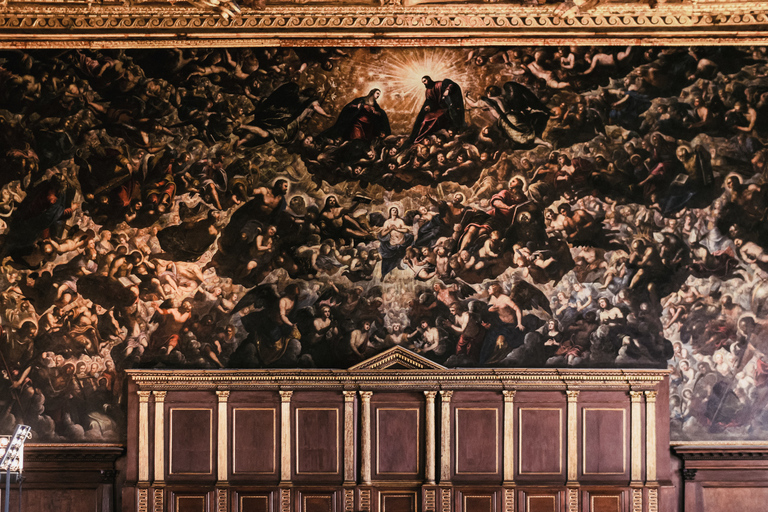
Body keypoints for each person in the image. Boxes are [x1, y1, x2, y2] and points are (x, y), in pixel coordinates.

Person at [320, 88, 391, 143]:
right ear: (372, 92)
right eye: (377, 93)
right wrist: (357, 106)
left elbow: (380, 114)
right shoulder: (362, 100)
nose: (378, 95)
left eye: (379, 94)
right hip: (358, 123)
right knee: (356, 139)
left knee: (364, 141)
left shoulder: (375, 105)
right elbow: (350, 106)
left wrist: (375, 112)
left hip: (368, 126)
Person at [409, 76, 465, 144]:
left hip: (445, 108)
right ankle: (420, 137)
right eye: (423, 82)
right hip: (437, 109)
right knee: (426, 119)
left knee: (435, 119)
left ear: (429, 80)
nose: (424, 83)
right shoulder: (428, 91)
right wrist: (428, 107)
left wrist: (447, 90)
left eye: (425, 81)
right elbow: (430, 101)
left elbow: (450, 84)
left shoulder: (439, 84)